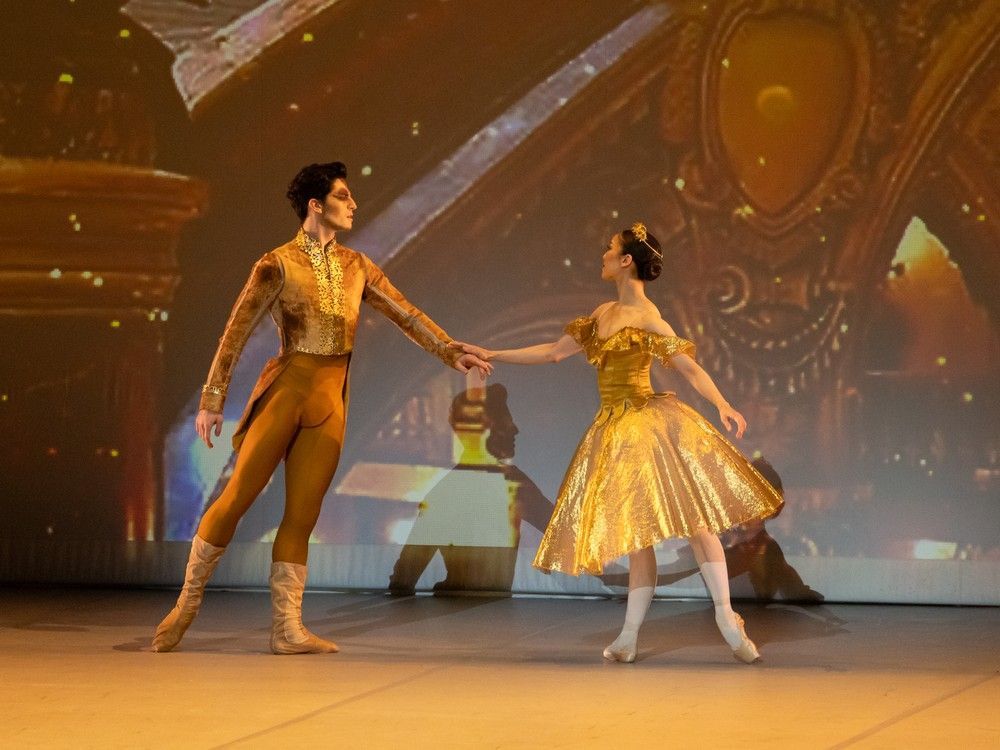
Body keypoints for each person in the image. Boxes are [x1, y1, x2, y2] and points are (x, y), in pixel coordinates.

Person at [152, 162, 491, 654]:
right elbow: (235, 333)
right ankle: (185, 603)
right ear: (317, 205)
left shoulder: (358, 267)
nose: (353, 205)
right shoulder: (276, 263)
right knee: (236, 499)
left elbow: (406, 314)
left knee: (302, 516)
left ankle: (287, 629)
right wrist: (212, 401)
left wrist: (451, 352)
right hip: (287, 391)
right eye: (343, 196)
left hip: (329, 402)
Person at [451, 223, 783, 663]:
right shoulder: (603, 312)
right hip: (613, 431)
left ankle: (725, 615)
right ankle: (629, 635)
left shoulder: (648, 317)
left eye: (610, 250)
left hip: (647, 423)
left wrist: (723, 404)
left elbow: (689, 369)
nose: (604, 255)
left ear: (627, 261)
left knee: (693, 519)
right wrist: (491, 353)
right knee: (638, 533)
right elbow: (552, 352)